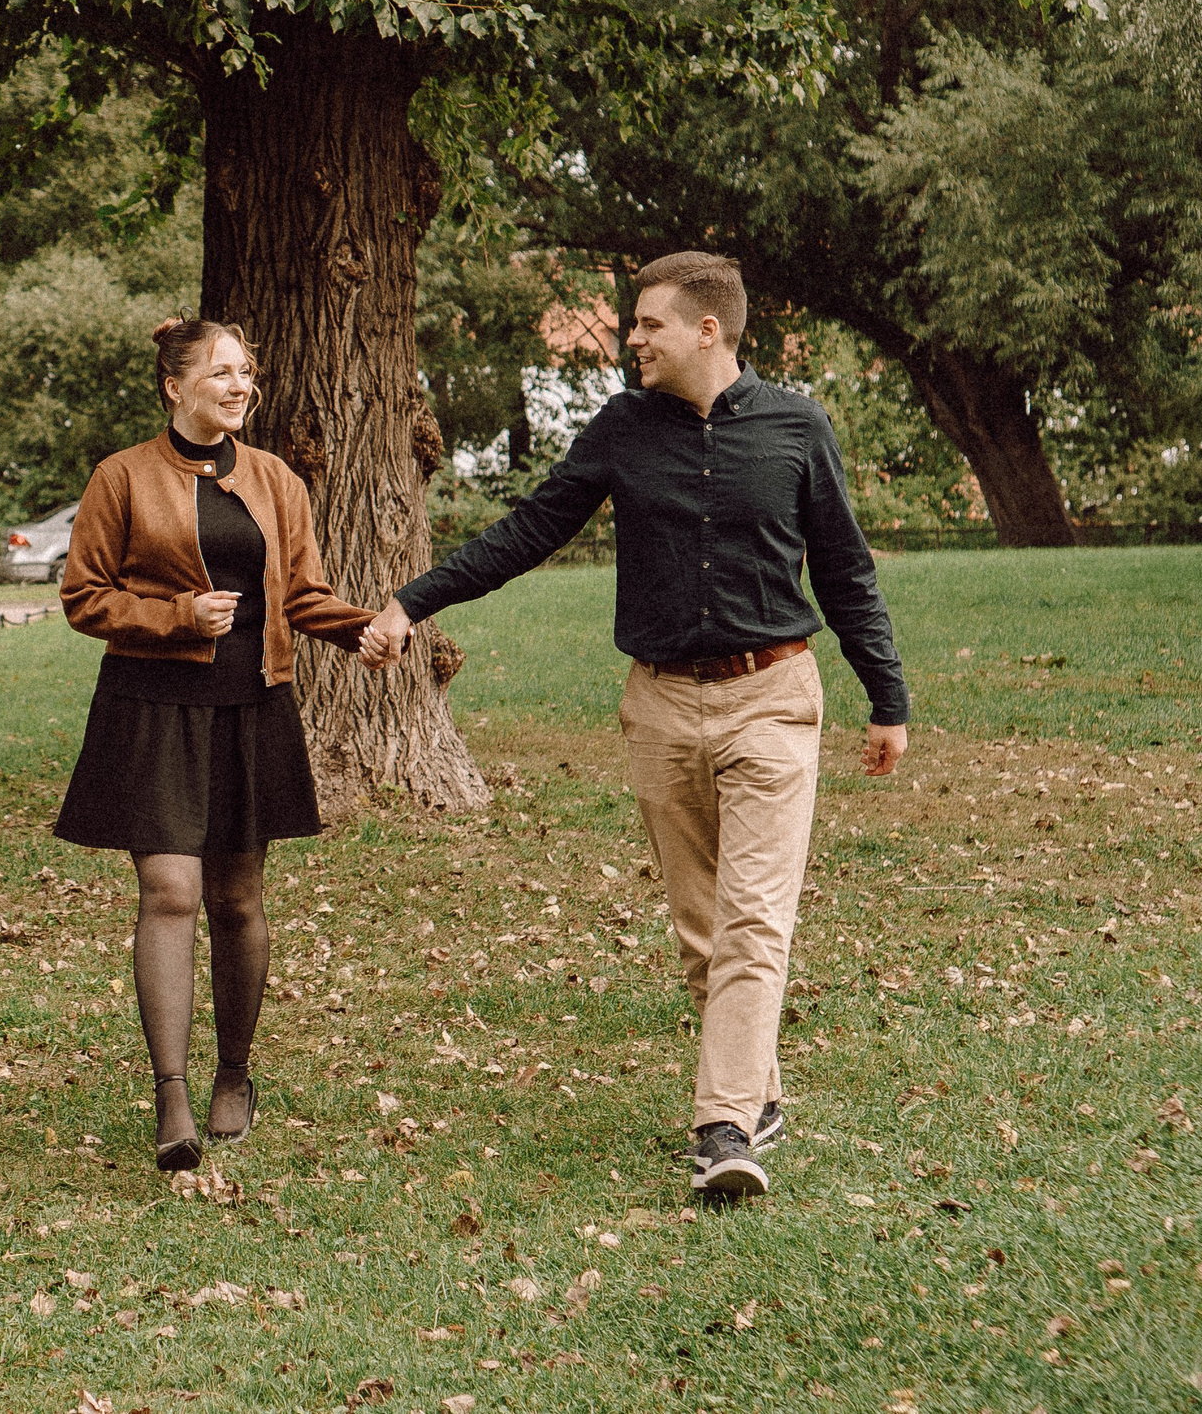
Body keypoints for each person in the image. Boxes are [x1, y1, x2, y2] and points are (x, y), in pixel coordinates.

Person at [361, 253, 908, 1199]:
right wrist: (414, 602)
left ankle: (724, 1126)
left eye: (649, 324)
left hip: (773, 695)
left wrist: (887, 696)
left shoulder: (797, 425)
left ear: (708, 330)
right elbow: (531, 530)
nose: (632, 339)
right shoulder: (623, 428)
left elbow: (846, 569)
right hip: (659, 702)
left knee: (752, 920)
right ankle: (758, 1091)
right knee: (702, 928)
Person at [54, 318, 376, 1171]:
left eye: (246, 374)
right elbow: (83, 595)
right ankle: (173, 1096)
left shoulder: (276, 481)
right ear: (175, 385)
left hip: (250, 704)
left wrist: (363, 629)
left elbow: (303, 593)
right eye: (222, 373)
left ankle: (235, 1071)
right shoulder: (121, 477)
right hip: (152, 705)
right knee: (169, 889)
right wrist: (173, 617)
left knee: (237, 899)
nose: (240, 387)